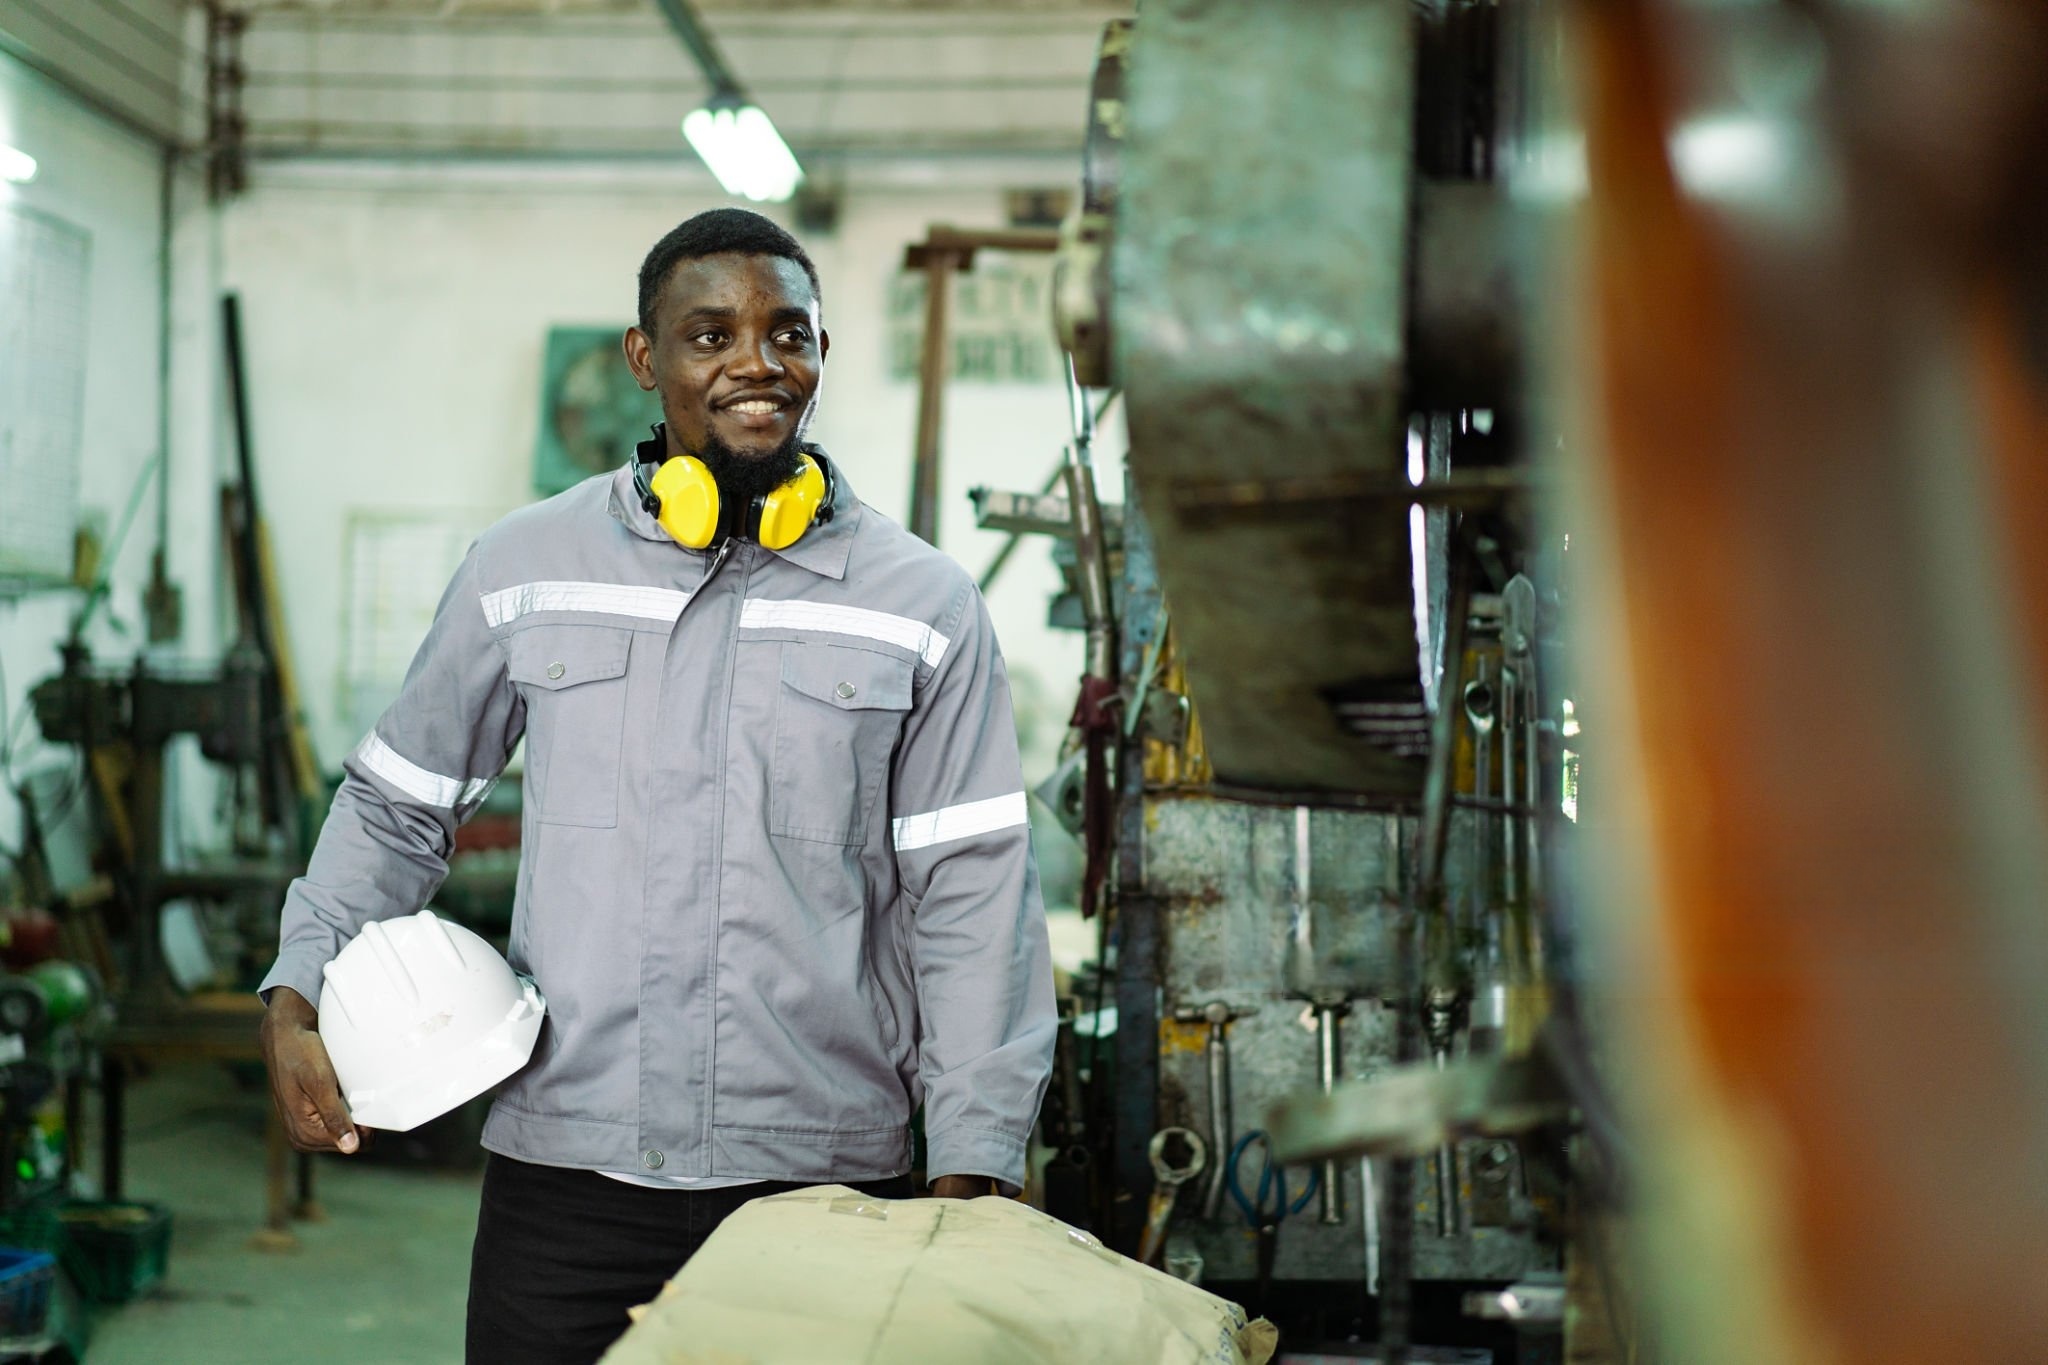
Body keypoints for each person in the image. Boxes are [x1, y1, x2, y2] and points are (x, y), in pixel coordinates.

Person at [258, 208, 1057, 1363]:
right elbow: (397, 805)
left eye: (789, 334)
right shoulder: (527, 566)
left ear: (822, 355)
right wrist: (296, 991)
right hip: (569, 1171)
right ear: (645, 358)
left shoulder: (919, 604)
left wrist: (973, 1161)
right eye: (709, 334)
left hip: (823, 1178)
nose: (755, 363)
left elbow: (973, 890)